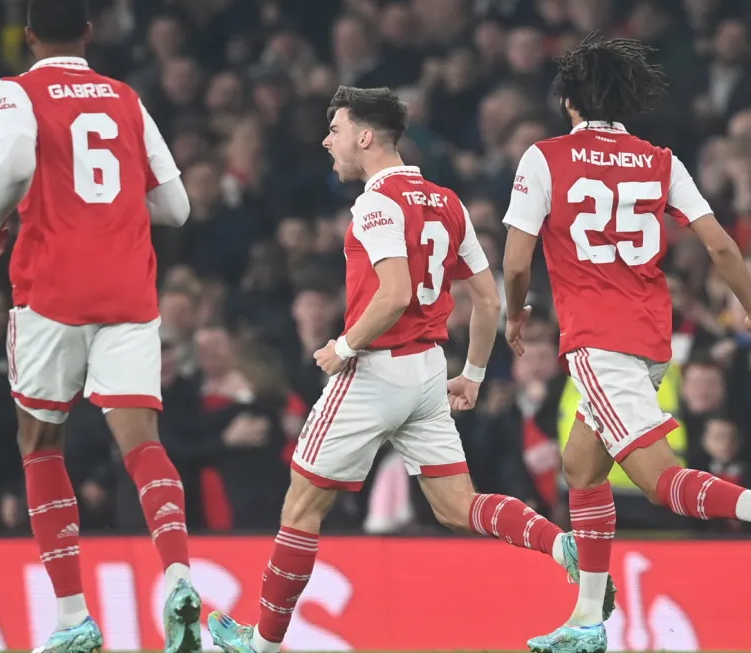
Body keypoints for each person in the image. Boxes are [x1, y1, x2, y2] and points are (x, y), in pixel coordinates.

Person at [206, 86, 615, 653]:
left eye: (337, 130)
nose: (329, 141)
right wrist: (471, 374)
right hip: (427, 372)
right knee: (457, 506)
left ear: (366, 137)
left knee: (302, 505)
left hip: (373, 371)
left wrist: (343, 347)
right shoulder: (448, 201)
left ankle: (265, 644)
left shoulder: (375, 203)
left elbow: (394, 293)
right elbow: (488, 299)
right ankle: (559, 546)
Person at [500, 34, 751, 653]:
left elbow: (516, 263)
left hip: (598, 340)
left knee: (658, 481)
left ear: (569, 101)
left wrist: (516, 317)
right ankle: (588, 621)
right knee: (581, 467)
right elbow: (722, 244)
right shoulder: (659, 160)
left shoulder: (544, 158)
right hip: (650, 337)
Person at [0, 2, 196, 653]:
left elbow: (10, 162)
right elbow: (175, 206)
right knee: (141, 442)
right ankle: (177, 573)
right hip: (128, 288)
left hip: (51, 289)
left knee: (40, 442)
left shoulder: (15, 91)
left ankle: (73, 618)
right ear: (89, 33)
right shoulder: (125, 97)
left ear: (29, 35)